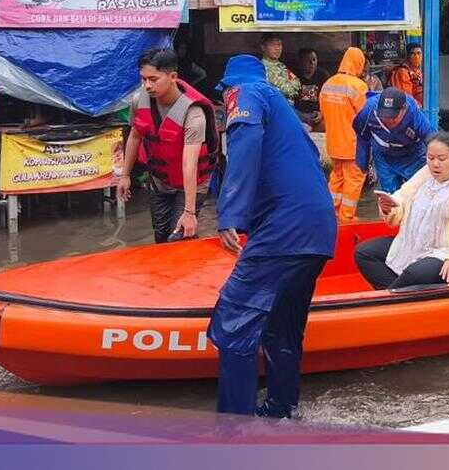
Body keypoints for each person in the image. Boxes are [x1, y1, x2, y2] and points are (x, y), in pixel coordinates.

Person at [207, 55, 337, 418]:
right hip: (317, 230)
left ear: (226, 87)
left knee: (232, 326)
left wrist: (230, 214)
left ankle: (234, 430)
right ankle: (281, 410)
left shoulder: (245, 92)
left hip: (285, 231)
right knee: (281, 328)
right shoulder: (286, 114)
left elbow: (245, 146)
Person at [355, 132, 449, 289]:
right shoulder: (423, 177)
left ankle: (393, 298)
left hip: (448, 251)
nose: (435, 164)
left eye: (441, 159)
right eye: (430, 158)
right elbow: (401, 198)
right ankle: (398, 296)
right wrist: (390, 208)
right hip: (415, 243)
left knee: (415, 273)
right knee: (364, 253)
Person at [117, 48, 221, 243]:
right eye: (143, 79)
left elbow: (189, 164)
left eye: (153, 79)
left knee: (179, 237)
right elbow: (134, 136)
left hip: (192, 181)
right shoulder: (139, 101)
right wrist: (125, 175)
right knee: (161, 236)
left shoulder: (194, 113)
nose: (147, 85)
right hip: (160, 180)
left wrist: (189, 212)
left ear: (173, 76)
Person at [318, 47, 368, 223]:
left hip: (334, 143)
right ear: (359, 63)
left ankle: (330, 214)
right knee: (354, 179)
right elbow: (365, 116)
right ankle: (347, 216)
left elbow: (323, 113)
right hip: (353, 144)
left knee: (336, 178)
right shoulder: (358, 86)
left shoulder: (327, 84)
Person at [353, 87, 434, 194]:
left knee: (419, 193)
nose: (389, 121)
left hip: (413, 155)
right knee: (390, 197)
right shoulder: (367, 111)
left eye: (393, 117)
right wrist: (363, 167)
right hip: (384, 157)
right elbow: (363, 137)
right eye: (385, 116)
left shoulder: (413, 113)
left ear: (404, 109)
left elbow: (432, 139)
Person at [294, 47, 329, 131]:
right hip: (299, 117)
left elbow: (328, 99)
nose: (312, 63)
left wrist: (322, 113)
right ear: (301, 62)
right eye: (307, 60)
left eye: (314, 59)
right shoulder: (293, 76)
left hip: (317, 116)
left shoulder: (323, 76)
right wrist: (303, 116)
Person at [259, 33, 299, 103]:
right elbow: (287, 90)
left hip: (289, 107)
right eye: (272, 45)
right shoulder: (260, 67)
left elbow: (297, 84)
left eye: (279, 45)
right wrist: (289, 86)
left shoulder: (282, 66)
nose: (277, 48)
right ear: (263, 47)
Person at [391, 41, 424, 105]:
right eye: (413, 54)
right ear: (408, 56)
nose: (416, 57)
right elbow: (406, 97)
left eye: (419, 53)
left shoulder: (417, 71)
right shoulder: (402, 72)